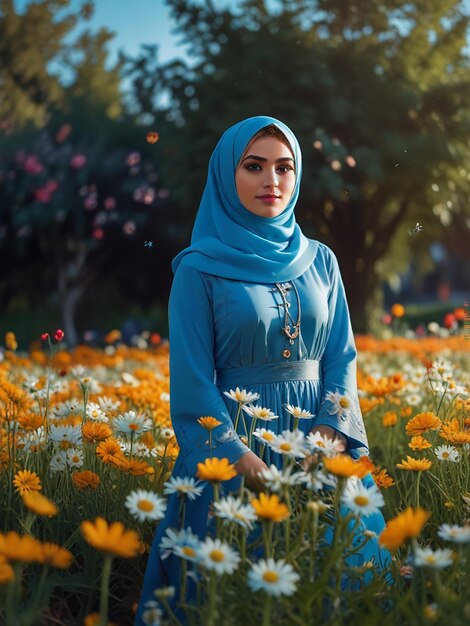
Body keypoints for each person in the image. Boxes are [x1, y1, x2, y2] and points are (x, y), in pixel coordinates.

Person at [134, 116, 390, 625]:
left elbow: (341, 356)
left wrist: (330, 435)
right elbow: (191, 378)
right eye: (254, 167)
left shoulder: (322, 261)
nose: (271, 180)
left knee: (343, 591)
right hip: (231, 454)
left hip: (319, 450)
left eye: (284, 167)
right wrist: (237, 459)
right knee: (232, 600)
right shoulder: (197, 268)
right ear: (227, 176)